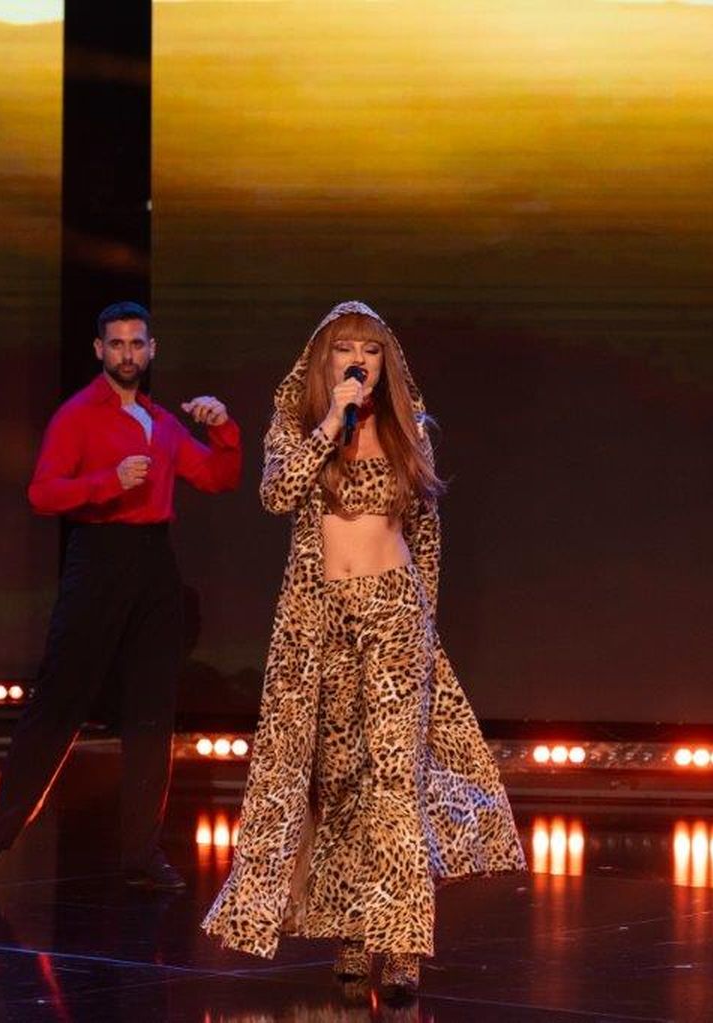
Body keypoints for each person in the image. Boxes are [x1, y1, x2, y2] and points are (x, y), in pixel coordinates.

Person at [202, 301, 523, 1002]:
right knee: (340, 777)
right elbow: (276, 493)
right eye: (345, 349)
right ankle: (353, 928)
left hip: (394, 615)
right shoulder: (296, 424)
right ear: (324, 360)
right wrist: (329, 424)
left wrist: (423, 627)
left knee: (394, 775)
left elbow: (427, 536)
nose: (358, 360)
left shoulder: (409, 429)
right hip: (320, 621)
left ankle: (402, 943)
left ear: (386, 362)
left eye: (371, 350)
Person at [0, 301, 242, 890]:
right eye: (117, 343)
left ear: (152, 349)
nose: (127, 354)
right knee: (59, 704)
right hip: (98, 557)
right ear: (99, 350)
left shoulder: (162, 422)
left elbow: (218, 477)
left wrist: (222, 429)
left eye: (137, 343)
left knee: (151, 712)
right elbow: (42, 493)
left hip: (153, 564)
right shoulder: (78, 416)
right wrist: (107, 482)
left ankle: (141, 852)